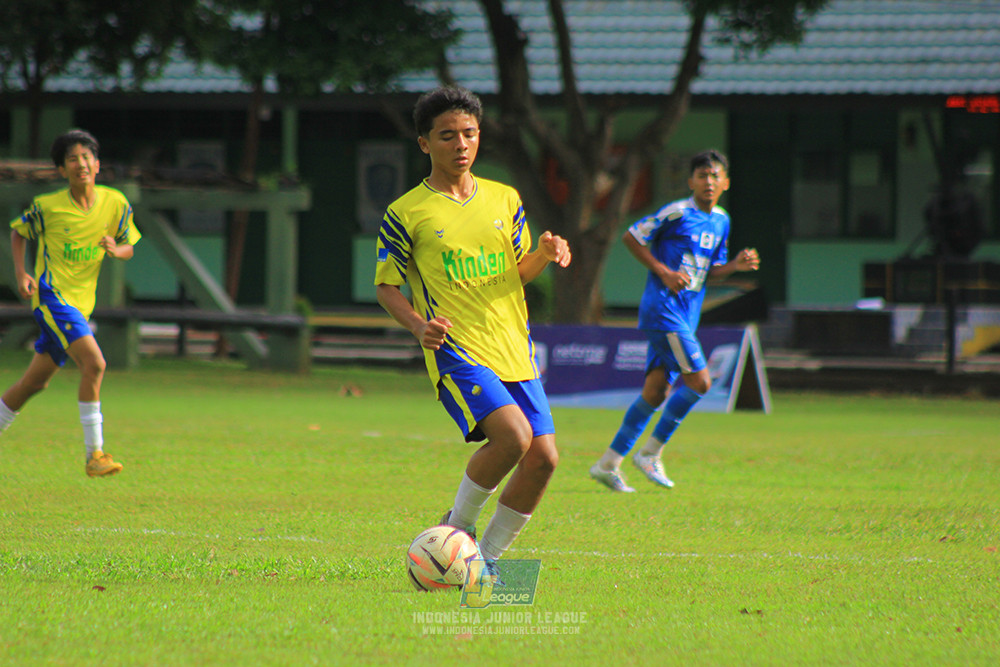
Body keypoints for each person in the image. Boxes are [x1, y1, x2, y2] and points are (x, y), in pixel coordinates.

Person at [374, 87, 571, 578]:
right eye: (447, 136)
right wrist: (421, 326)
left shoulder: (505, 198)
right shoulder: (406, 213)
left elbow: (516, 273)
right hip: (458, 348)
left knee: (544, 458)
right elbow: (386, 287)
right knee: (513, 439)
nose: (461, 144)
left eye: (469, 133)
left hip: (514, 348)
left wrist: (544, 254)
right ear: (424, 144)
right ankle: (454, 532)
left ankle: (487, 566)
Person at [590, 149, 759, 492]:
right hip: (663, 310)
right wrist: (664, 272)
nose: (708, 182)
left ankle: (607, 464)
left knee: (655, 393)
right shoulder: (678, 212)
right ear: (691, 181)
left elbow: (708, 273)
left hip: (686, 314)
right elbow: (632, 237)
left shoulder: (722, 220)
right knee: (700, 382)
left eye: (715, 176)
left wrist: (735, 267)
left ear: (725, 182)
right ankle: (650, 453)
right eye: (702, 175)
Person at [0, 129, 141, 477]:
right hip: (52, 298)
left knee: (34, 384)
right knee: (94, 364)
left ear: (97, 164)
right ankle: (95, 455)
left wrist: (115, 249)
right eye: (72, 159)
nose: (81, 163)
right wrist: (21, 274)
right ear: (62, 170)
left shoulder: (115, 204)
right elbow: (18, 232)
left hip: (81, 305)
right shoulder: (48, 207)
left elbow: (129, 246)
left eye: (86, 157)